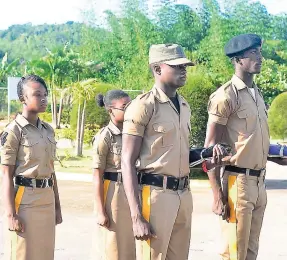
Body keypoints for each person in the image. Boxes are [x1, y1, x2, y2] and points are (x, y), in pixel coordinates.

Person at [121, 43, 229, 260]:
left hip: (183, 195)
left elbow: (179, 155)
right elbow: (127, 161)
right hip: (155, 195)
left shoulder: (184, 106)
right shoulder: (143, 106)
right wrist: (136, 216)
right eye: (177, 66)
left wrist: (206, 153)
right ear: (158, 69)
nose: (184, 70)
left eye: (185, 66)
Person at [204, 33, 282, 260]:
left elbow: (252, 141)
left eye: (260, 52)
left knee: (250, 252)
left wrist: (276, 155)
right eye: (254, 53)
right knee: (234, 251)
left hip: (259, 182)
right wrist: (217, 195)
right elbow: (209, 151)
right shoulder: (225, 96)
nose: (261, 58)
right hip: (237, 182)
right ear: (238, 59)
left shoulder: (256, 94)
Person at [1, 75, 62, 260]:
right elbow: (5, 175)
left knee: (45, 253)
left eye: (45, 94)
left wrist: (57, 207)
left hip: (47, 199)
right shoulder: (13, 131)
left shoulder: (48, 130)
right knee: (24, 253)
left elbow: (51, 172)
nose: (43, 98)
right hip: (25, 200)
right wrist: (10, 214)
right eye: (37, 94)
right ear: (23, 98)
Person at [91, 90, 136, 260]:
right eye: (125, 107)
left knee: (131, 243)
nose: (129, 110)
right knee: (114, 246)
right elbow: (97, 175)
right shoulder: (105, 137)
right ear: (110, 110)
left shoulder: (133, 134)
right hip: (114, 193)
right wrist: (101, 211)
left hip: (133, 190)